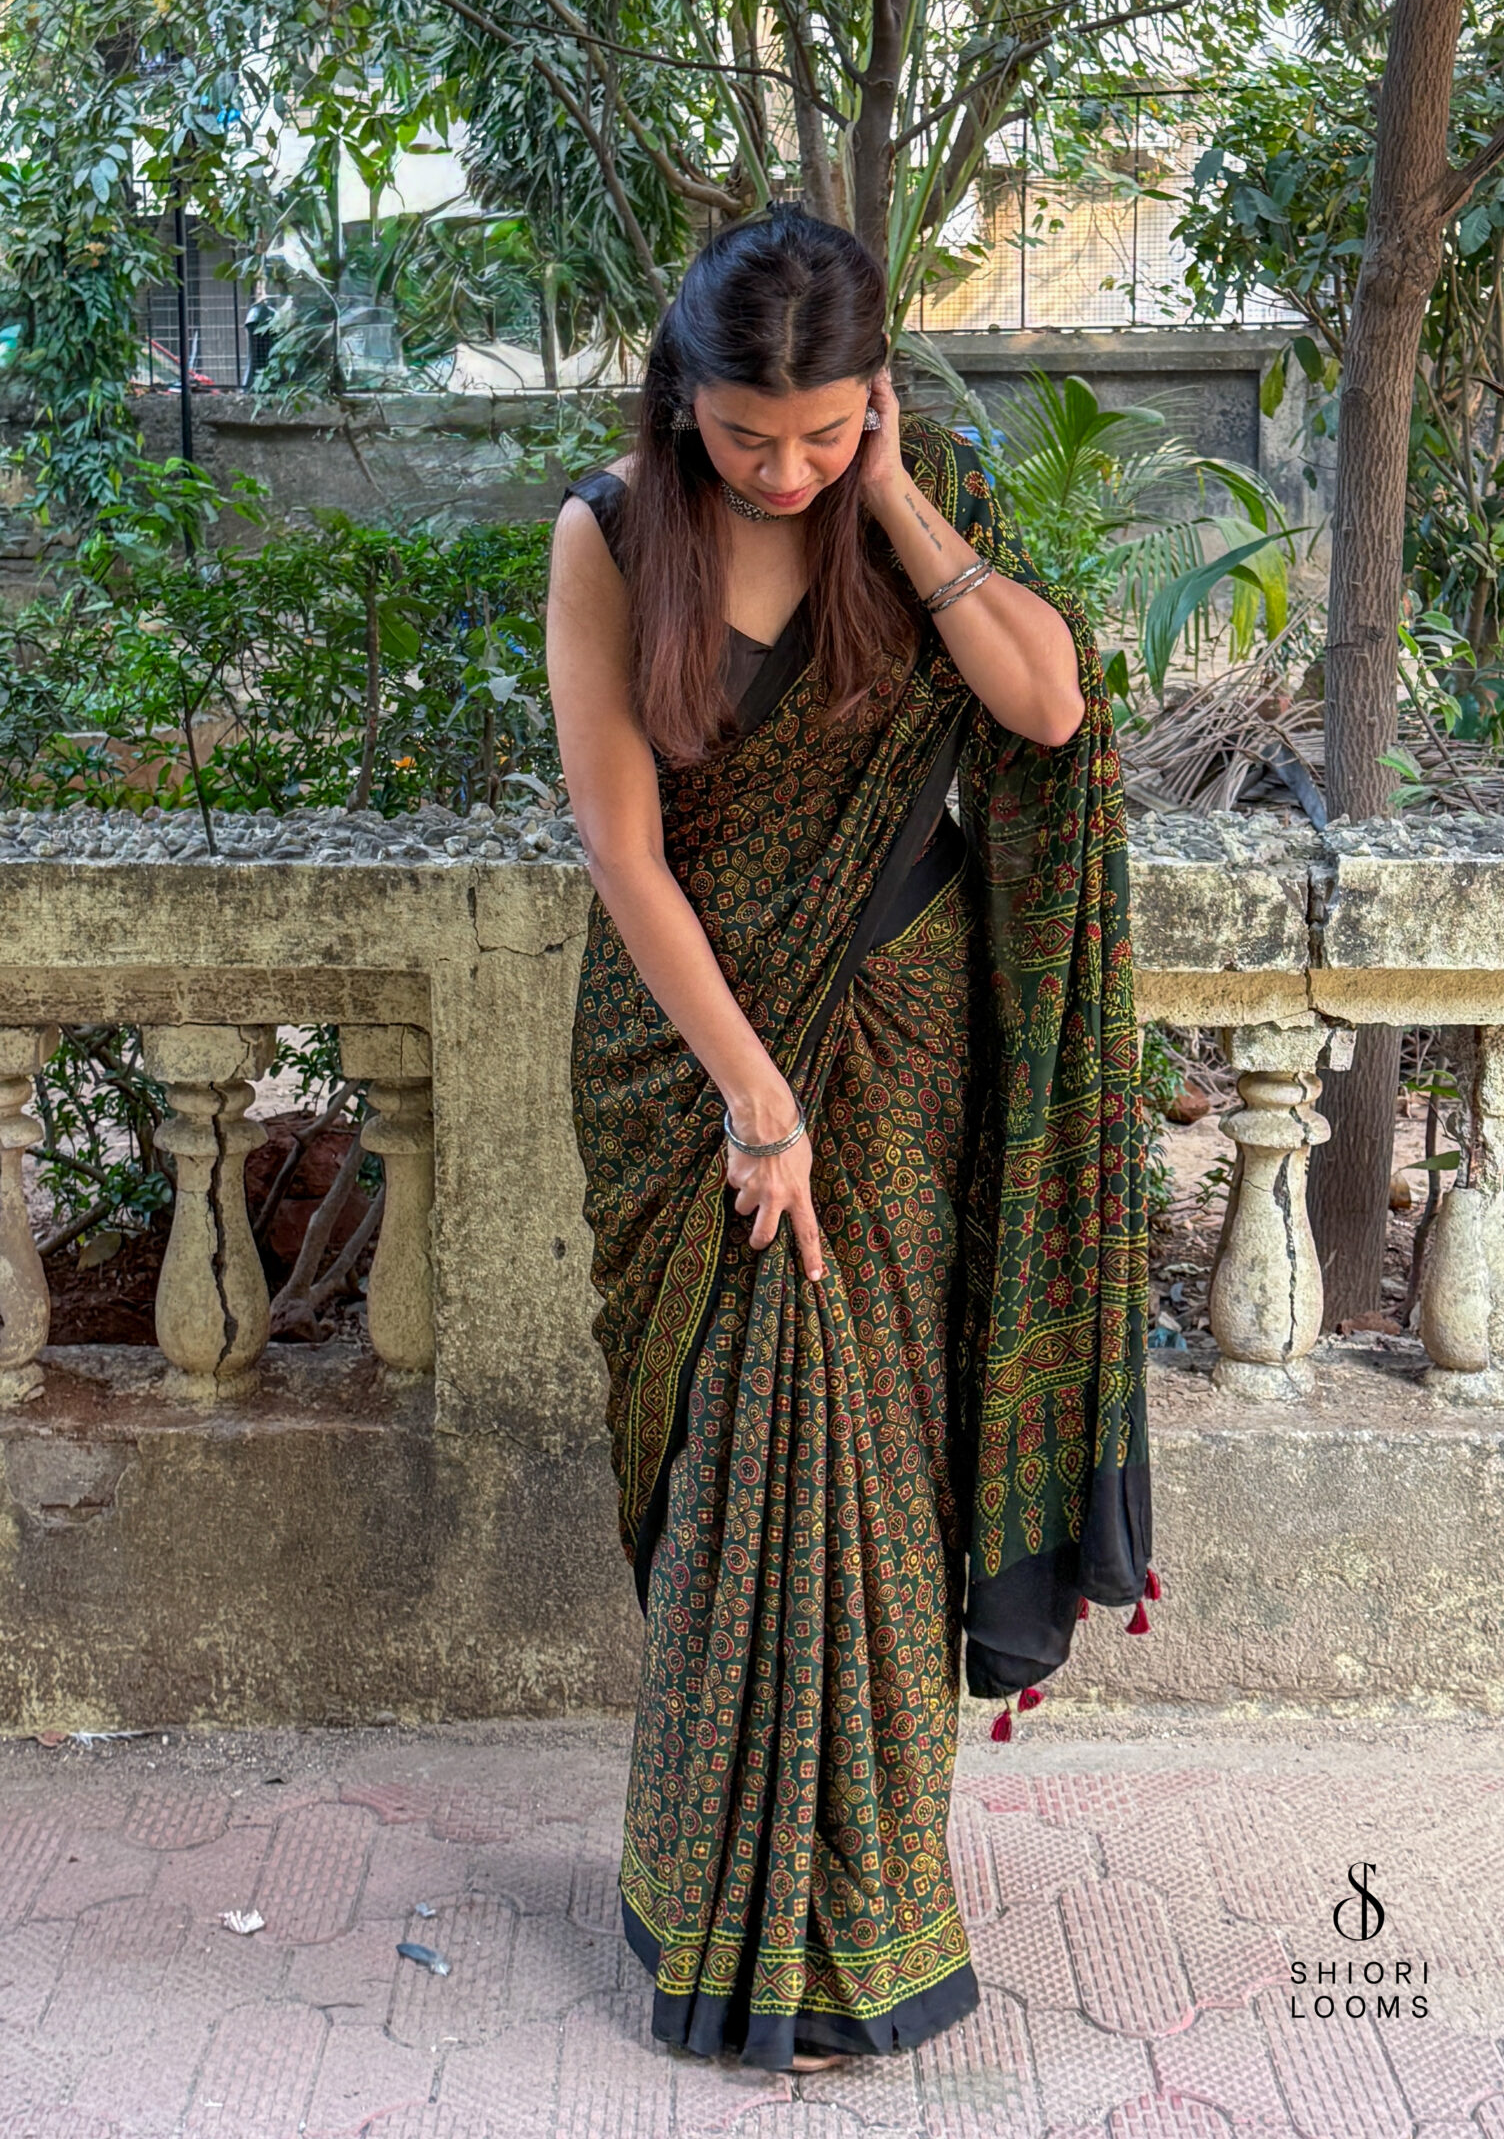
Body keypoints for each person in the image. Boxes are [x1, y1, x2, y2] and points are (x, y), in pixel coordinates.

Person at [545, 207, 1152, 2072]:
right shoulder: (611, 538)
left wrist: (892, 503)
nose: (783, 466)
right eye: (752, 436)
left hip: (900, 1054)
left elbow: (1049, 707)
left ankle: (859, 1928)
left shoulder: (912, 496)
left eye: (824, 429)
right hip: (698, 1064)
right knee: (740, 1492)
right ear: (683, 395)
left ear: (877, 397)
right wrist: (752, 1100)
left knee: (875, 1489)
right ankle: (711, 1912)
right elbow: (626, 857)